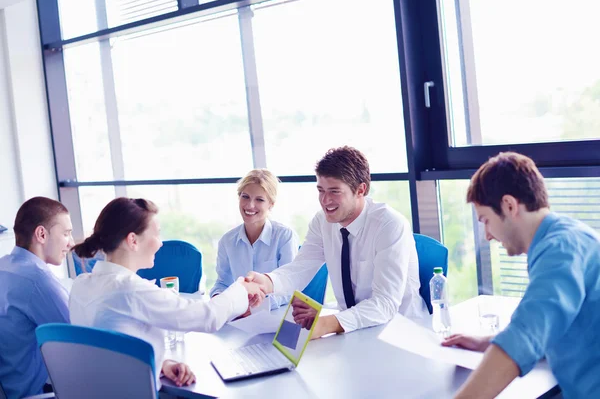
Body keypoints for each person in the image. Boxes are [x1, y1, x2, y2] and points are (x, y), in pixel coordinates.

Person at [443, 152, 600, 399]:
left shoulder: (560, 250)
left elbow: (526, 333)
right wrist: (486, 342)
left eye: (485, 220)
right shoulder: (565, 237)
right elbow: (547, 324)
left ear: (509, 205)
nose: (487, 235)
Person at [69, 198, 265, 388]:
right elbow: (208, 317)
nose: (161, 244)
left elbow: (108, 352)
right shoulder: (130, 290)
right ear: (133, 241)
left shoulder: (80, 285)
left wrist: (161, 364)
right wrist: (241, 288)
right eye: (157, 234)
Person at [247, 146, 428, 339]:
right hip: (353, 331)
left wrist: (327, 323)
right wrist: (267, 282)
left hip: (400, 332)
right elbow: (300, 268)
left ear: (360, 190)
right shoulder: (322, 221)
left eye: (334, 191)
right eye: (320, 190)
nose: (325, 200)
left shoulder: (389, 225)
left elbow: (385, 304)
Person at [0, 197, 73, 399]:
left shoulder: (4, 266)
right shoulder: (37, 281)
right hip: (34, 394)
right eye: (66, 233)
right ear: (41, 234)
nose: (71, 243)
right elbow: (79, 341)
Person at [210, 169, 299, 311]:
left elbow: (290, 287)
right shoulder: (227, 241)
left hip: (274, 315)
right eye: (245, 197)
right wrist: (218, 300)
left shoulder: (284, 236)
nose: (250, 205)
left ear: (271, 204)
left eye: (260, 199)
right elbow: (222, 283)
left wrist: (256, 305)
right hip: (239, 316)